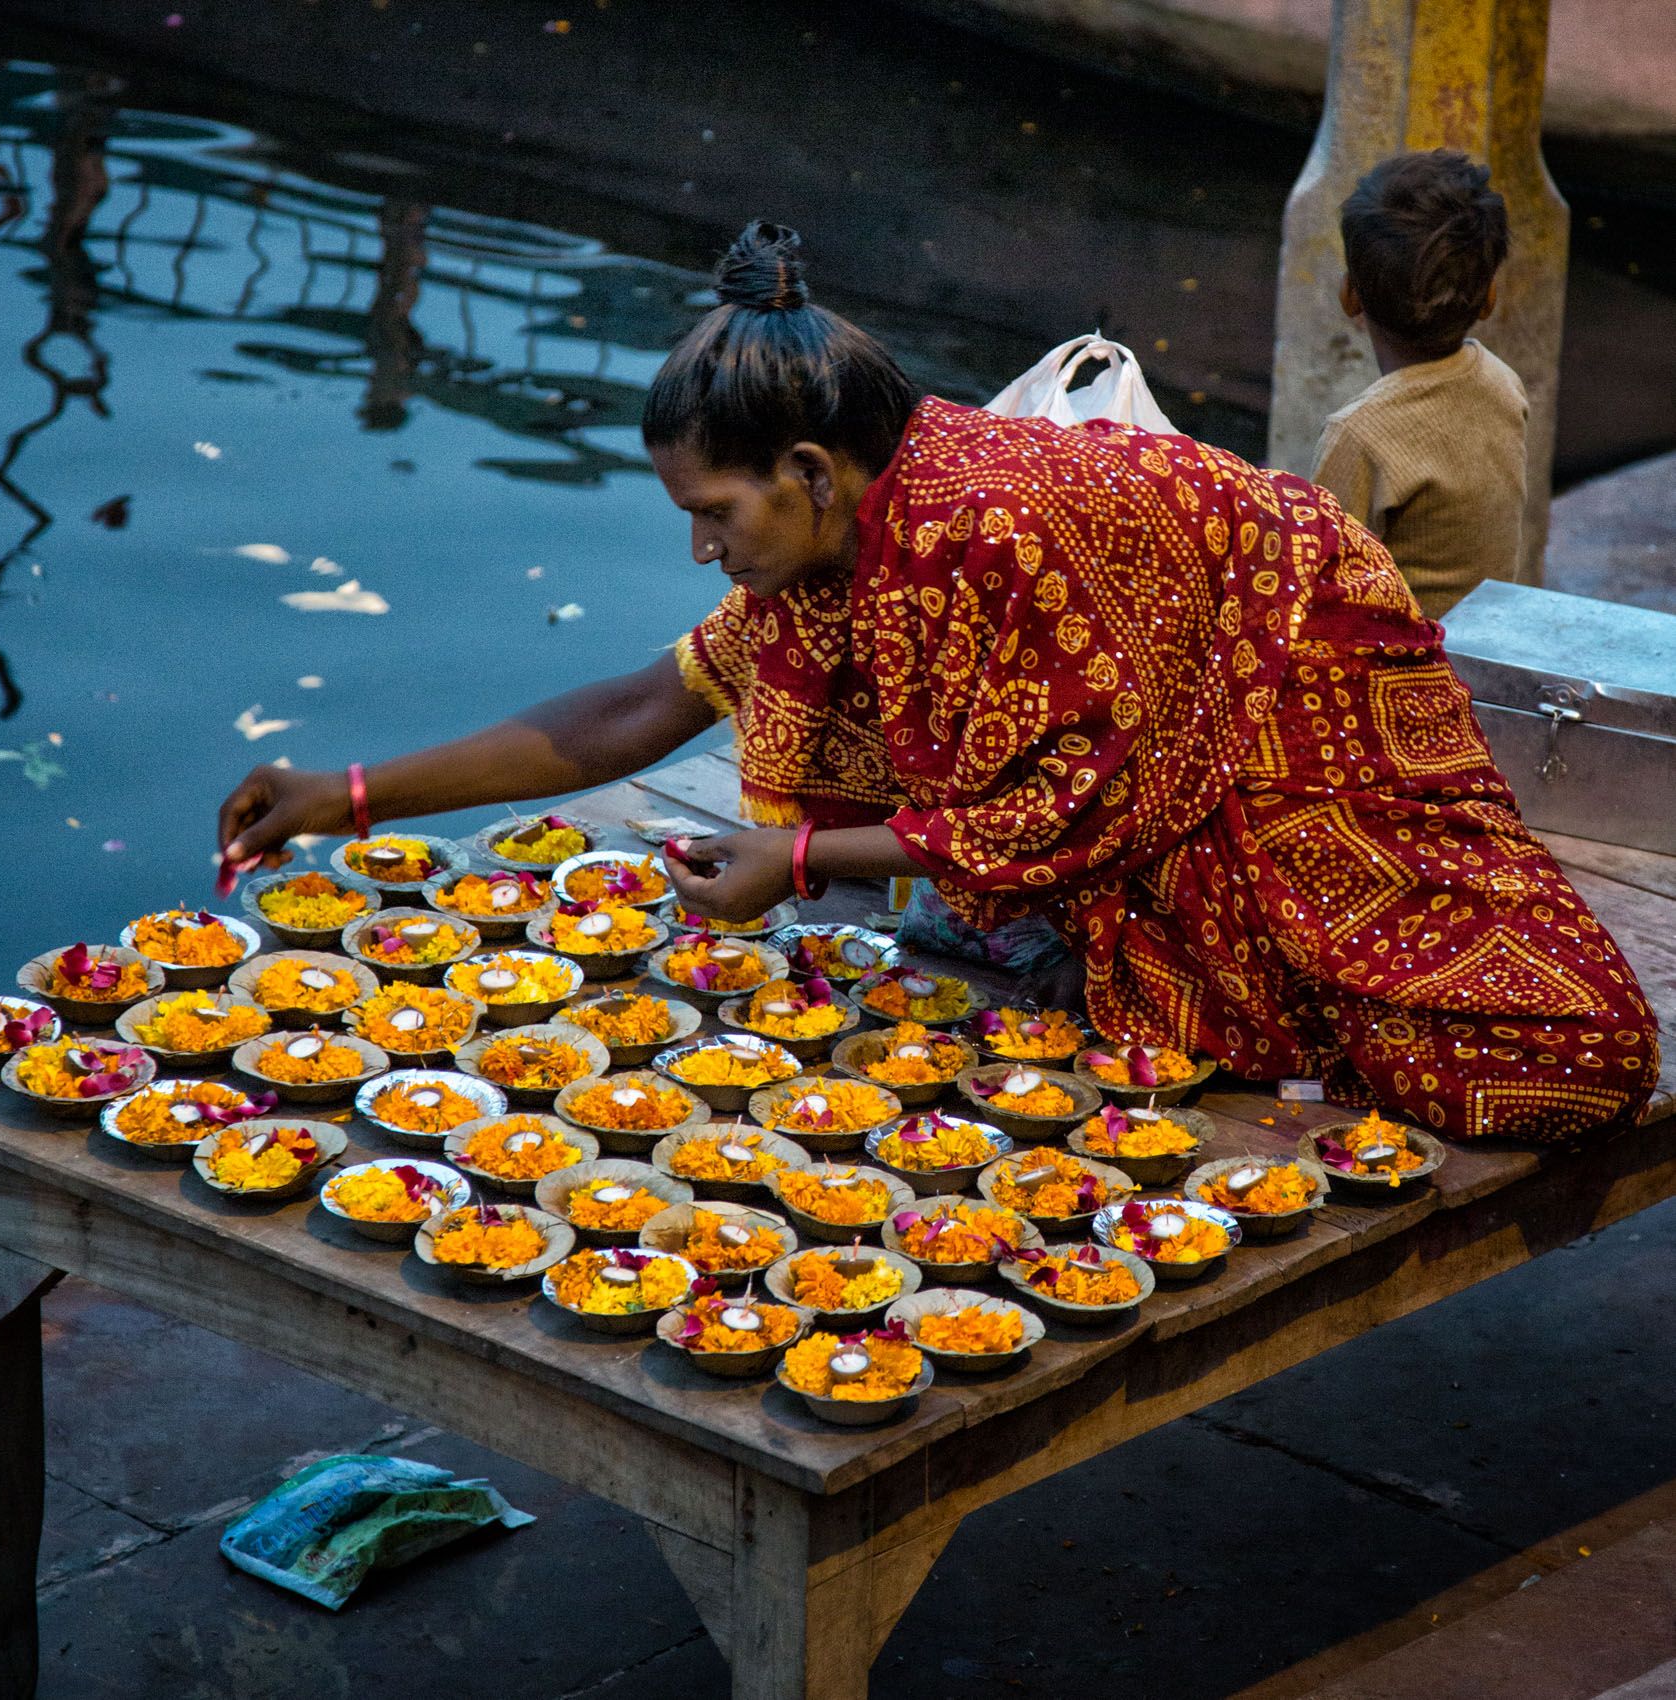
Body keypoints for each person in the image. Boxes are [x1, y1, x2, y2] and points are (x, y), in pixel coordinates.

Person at [218, 221, 1659, 1144]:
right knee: (1148, 994)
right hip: (1145, 770)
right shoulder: (843, 545)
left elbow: (1057, 800)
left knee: (1566, 1054)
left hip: (1290, 709)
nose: (709, 552)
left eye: (714, 516)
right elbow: (629, 714)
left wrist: (791, 856)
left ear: (806, 472)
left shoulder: (985, 531)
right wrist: (343, 793)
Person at [1311, 149, 1529, 619]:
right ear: (1489, 297)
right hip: (1479, 650)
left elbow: (1314, 588)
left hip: (1404, 673)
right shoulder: (1503, 383)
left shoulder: (1359, 435)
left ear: (1349, 295)